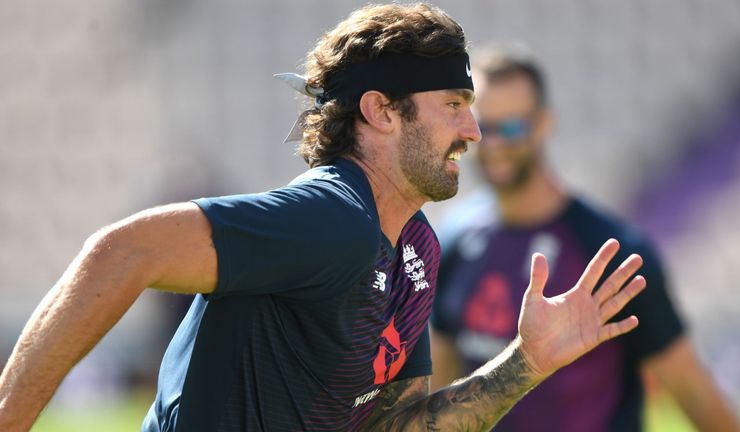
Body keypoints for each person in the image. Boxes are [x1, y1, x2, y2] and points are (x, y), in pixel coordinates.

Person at [0, 5, 647, 431]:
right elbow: (121, 249)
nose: (473, 130)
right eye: (453, 103)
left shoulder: (414, 246)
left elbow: (399, 427)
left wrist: (526, 363)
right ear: (382, 112)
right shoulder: (331, 217)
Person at [430, 46, 740, 432]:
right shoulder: (454, 241)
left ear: (543, 124)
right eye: (484, 127)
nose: (494, 144)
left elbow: (694, 393)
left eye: (511, 128)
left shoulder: (611, 250)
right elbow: (439, 384)